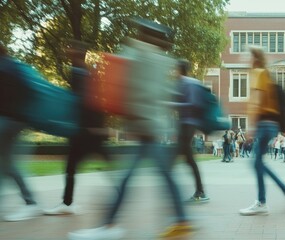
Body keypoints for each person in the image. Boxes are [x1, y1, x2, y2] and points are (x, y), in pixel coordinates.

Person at [68, 18, 189, 239]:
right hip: (151, 126)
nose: (137, 35)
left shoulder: (142, 56)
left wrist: (131, 115)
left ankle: (109, 225)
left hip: (146, 126)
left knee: (132, 178)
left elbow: (134, 89)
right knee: (161, 176)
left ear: (148, 35)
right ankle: (181, 220)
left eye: (141, 32)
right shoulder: (163, 60)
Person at [44, 40, 112, 216]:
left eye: (70, 48)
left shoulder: (79, 73)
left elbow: (84, 102)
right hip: (88, 129)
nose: (67, 49)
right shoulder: (87, 72)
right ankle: (68, 203)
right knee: (84, 166)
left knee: (72, 168)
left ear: (76, 53)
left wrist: (91, 127)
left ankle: (68, 203)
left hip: (85, 131)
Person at [239, 46, 285, 216]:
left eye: (248, 55)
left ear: (255, 58)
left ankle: (262, 202)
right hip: (271, 125)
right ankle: (283, 188)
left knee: (256, 162)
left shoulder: (258, 73)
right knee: (258, 162)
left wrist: (251, 127)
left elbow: (256, 101)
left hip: (263, 124)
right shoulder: (266, 74)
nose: (246, 59)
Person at [0, 43, 42, 222]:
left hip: (8, 121)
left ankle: (31, 202)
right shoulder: (13, 66)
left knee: (7, 164)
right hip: (14, 120)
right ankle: (30, 201)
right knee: (5, 164)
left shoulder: (5, 68)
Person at [167, 59, 210, 203]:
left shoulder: (189, 83)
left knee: (178, 157)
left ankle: (195, 192)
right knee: (188, 159)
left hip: (188, 124)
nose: (173, 72)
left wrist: (171, 104)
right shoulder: (183, 83)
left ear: (180, 70)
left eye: (175, 69)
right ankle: (199, 191)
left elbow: (193, 104)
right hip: (184, 124)